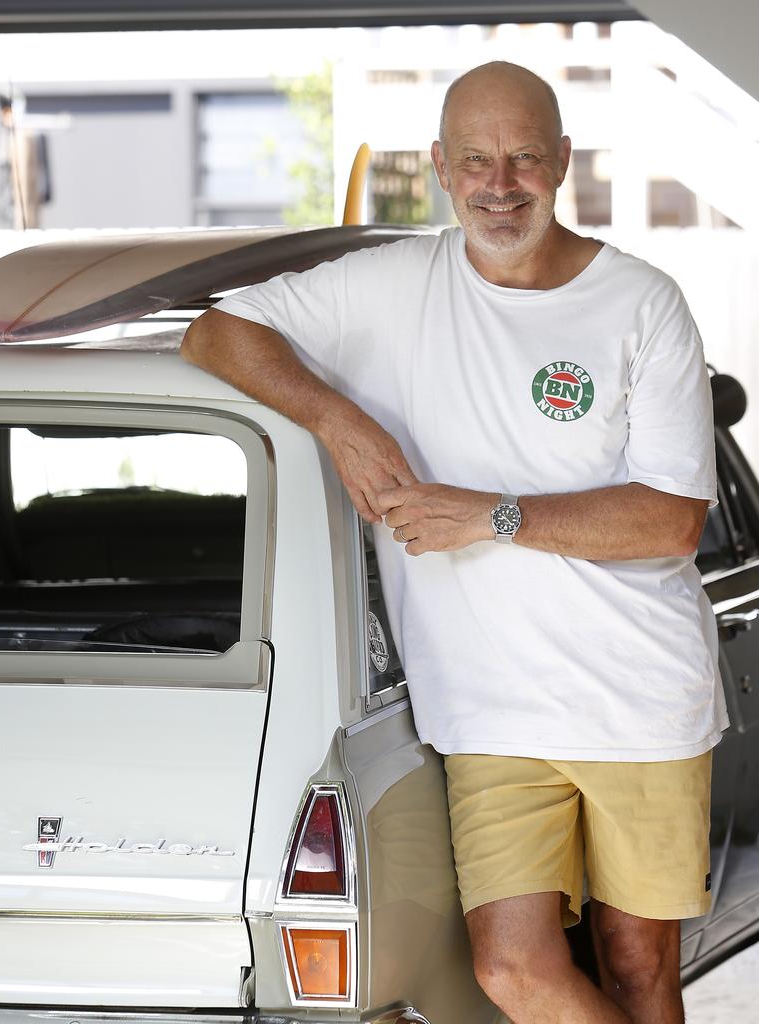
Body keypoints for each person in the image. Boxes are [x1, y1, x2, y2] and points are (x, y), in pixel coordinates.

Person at [180, 61, 726, 1024]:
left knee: (639, 972)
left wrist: (493, 513)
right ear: (439, 165)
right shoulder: (391, 286)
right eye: (475, 158)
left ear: (562, 161)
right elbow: (218, 335)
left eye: (522, 157)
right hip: (488, 709)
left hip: (638, 695)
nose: (499, 182)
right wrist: (340, 422)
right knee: (513, 970)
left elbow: (671, 518)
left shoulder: (643, 303)